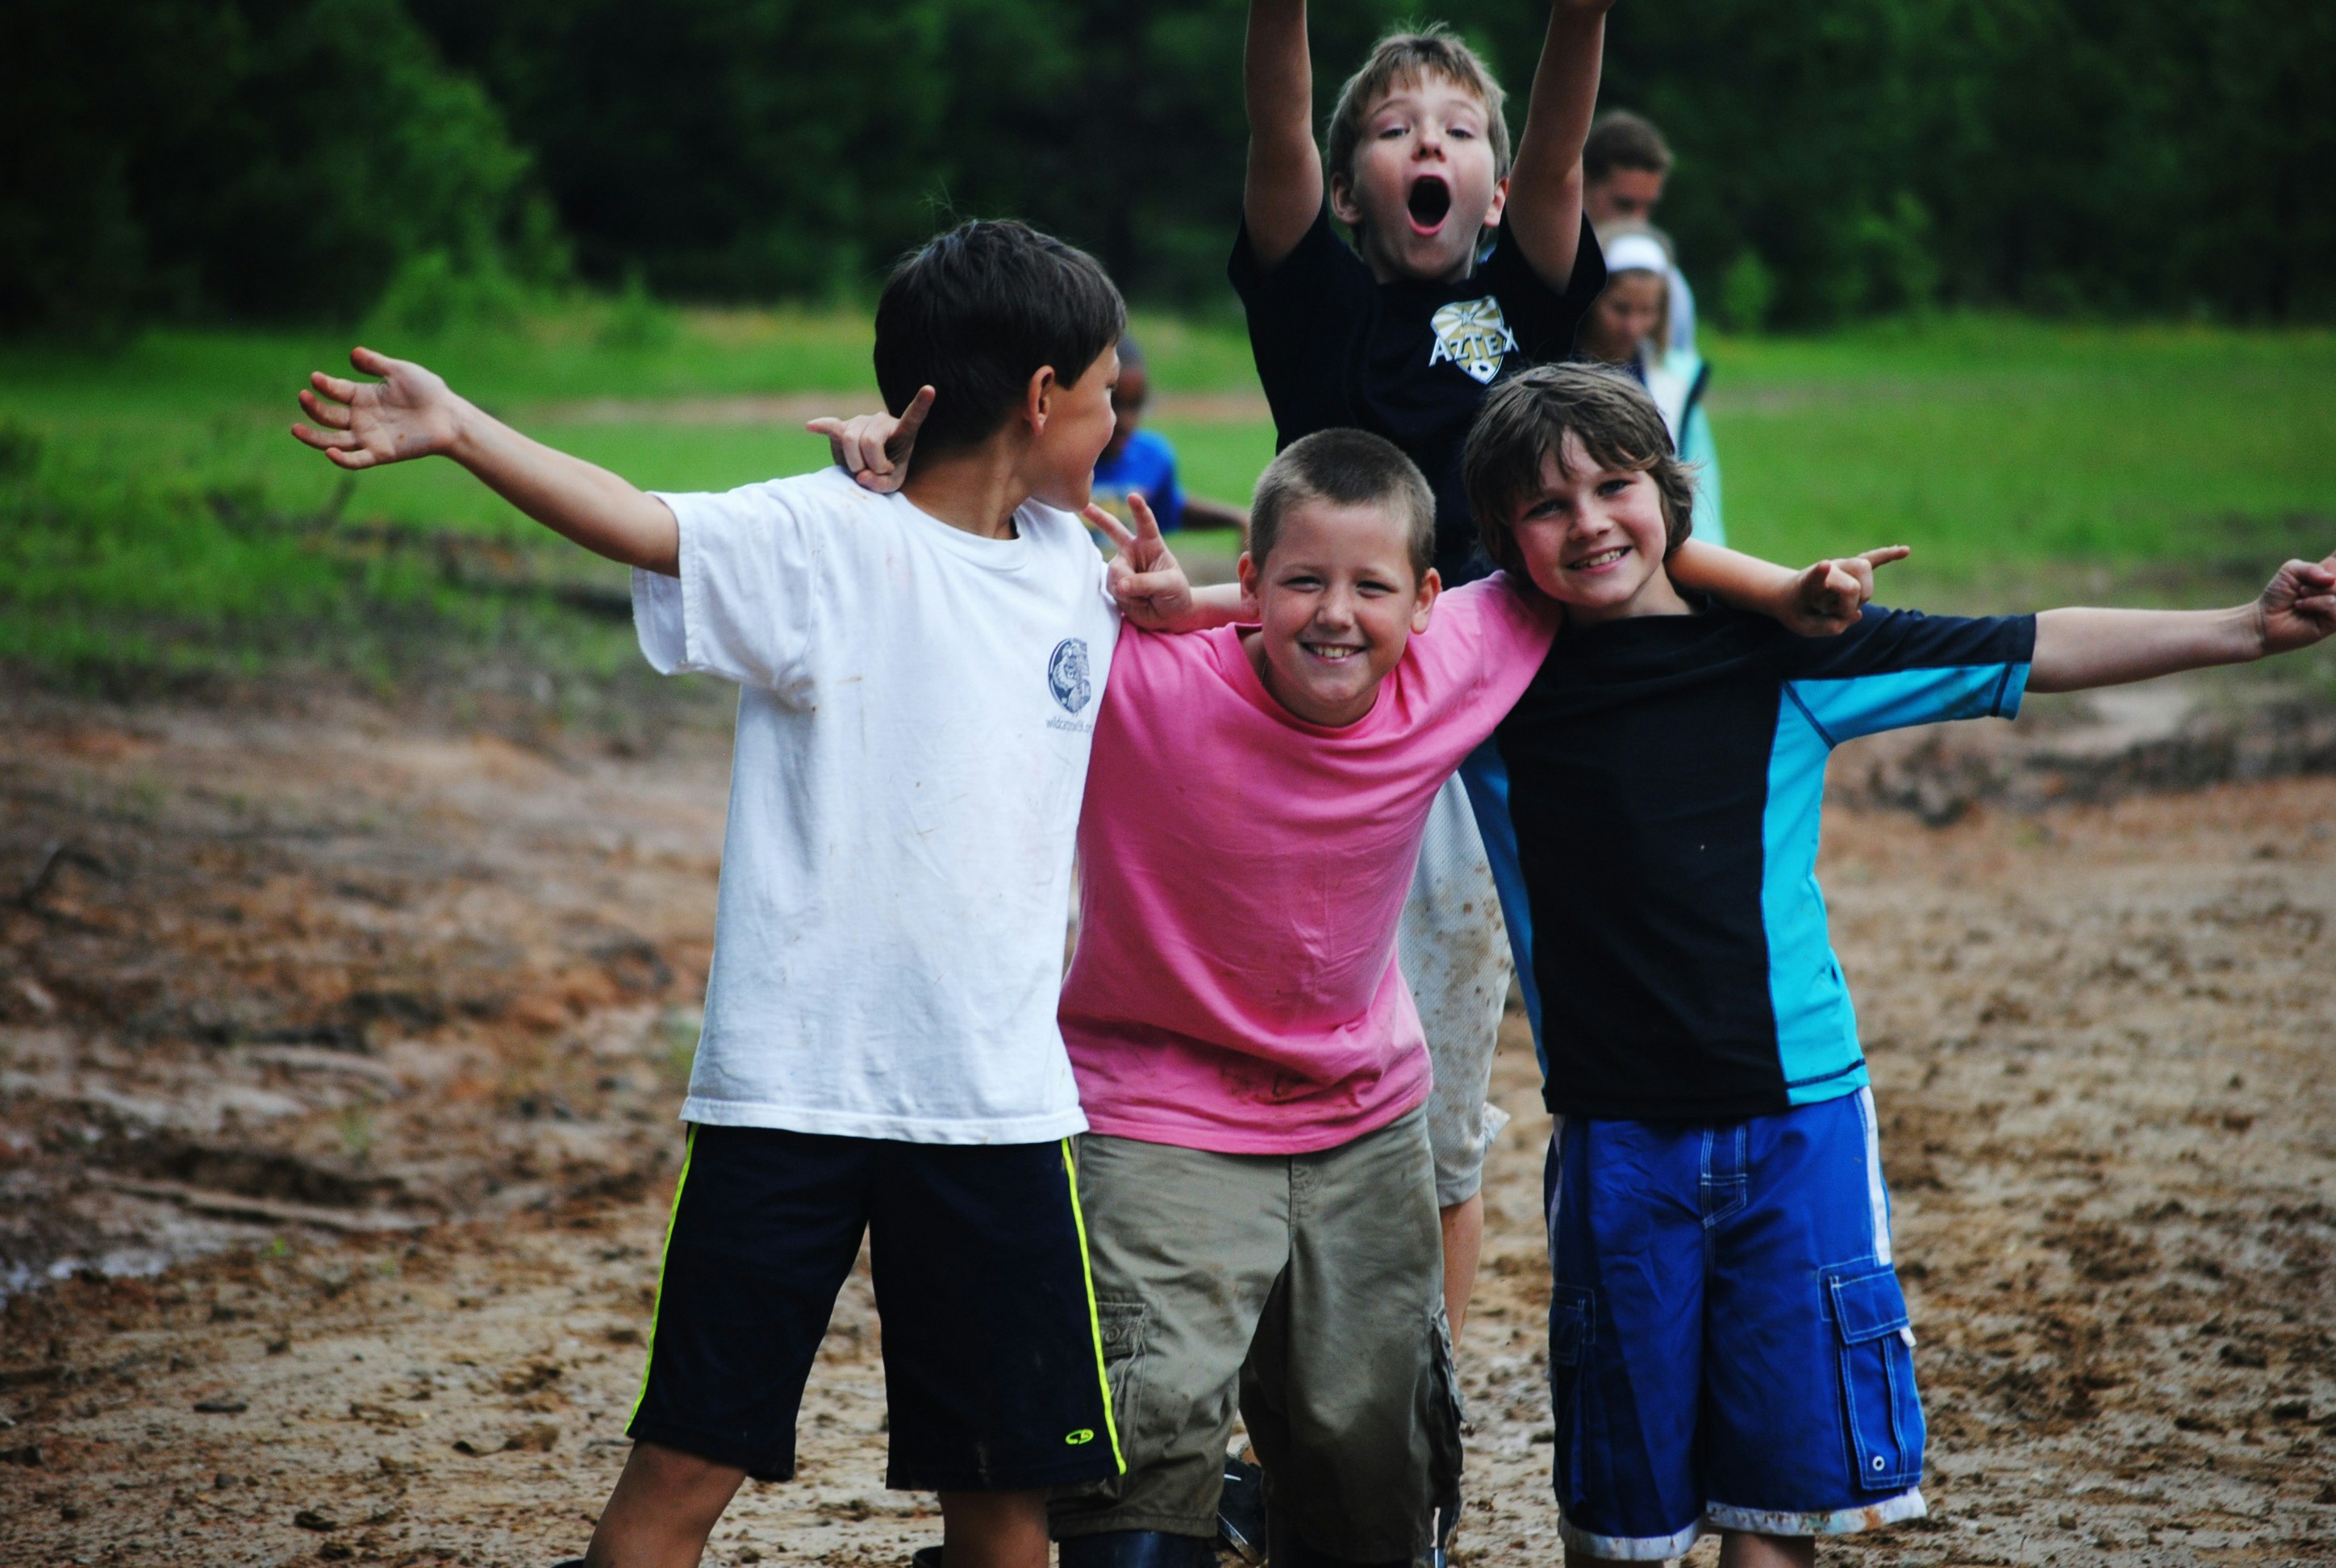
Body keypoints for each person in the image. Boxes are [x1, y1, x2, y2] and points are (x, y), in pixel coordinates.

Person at [289, 219, 1219, 1568]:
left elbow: (1267, 607)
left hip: (996, 1107)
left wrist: (1203, 599)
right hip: (789, 1095)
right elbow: (640, 516)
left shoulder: (1078, 570)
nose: (1115, 420)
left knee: (1009, 1497)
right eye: (1105, 393)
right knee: (684, 1463)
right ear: (1037, 397)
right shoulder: (823, 541)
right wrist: (462, 427)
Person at [1456, 363, 2336, 1566]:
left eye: (1615, 487)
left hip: (1802, 1129)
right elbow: (1314, 623)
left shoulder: (1786, 656)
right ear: (1504, 535)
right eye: (1548, 507)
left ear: (1667, 491)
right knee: (1622, 1521)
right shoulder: (1483, 684)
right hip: (1618, 1143)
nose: (1591, 523)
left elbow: (2025, 645)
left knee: (1785, 1505)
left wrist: (2245, 628)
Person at [1233, 0, 1619, 1353]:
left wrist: (1582, 19)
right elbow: (1277, 128)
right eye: (1395, 130)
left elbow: (1566, 155)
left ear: (1494, 188)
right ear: (1351, 190)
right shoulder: (1316, 301)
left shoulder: (1520, 291)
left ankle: (1425, 1405)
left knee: (1447, 1086)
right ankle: (1283, 1414)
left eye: (1457, 128)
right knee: (1293, 1054)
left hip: (1487, 712)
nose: (1427, 142)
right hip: (1332, 702)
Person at [1578, 224, 1724, 544]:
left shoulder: (1676, 381)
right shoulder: (1561, 364)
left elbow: (1698, 478)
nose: (1633, 327)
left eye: (1647, 312)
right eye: (1620, 309)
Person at [1089, 336, 1249, 533]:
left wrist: (1238, 518)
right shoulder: (1066, 463)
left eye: (1135, 405)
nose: (1125, 421)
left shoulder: (1154, 457)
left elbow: (1172, 509)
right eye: (1115, 404)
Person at [1582, 108, 1695, 351]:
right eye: (1624, 205)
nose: (1638, 222)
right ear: (1582, 184)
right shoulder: (1523, 268)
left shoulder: (1672, 289)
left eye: (1649, 207)